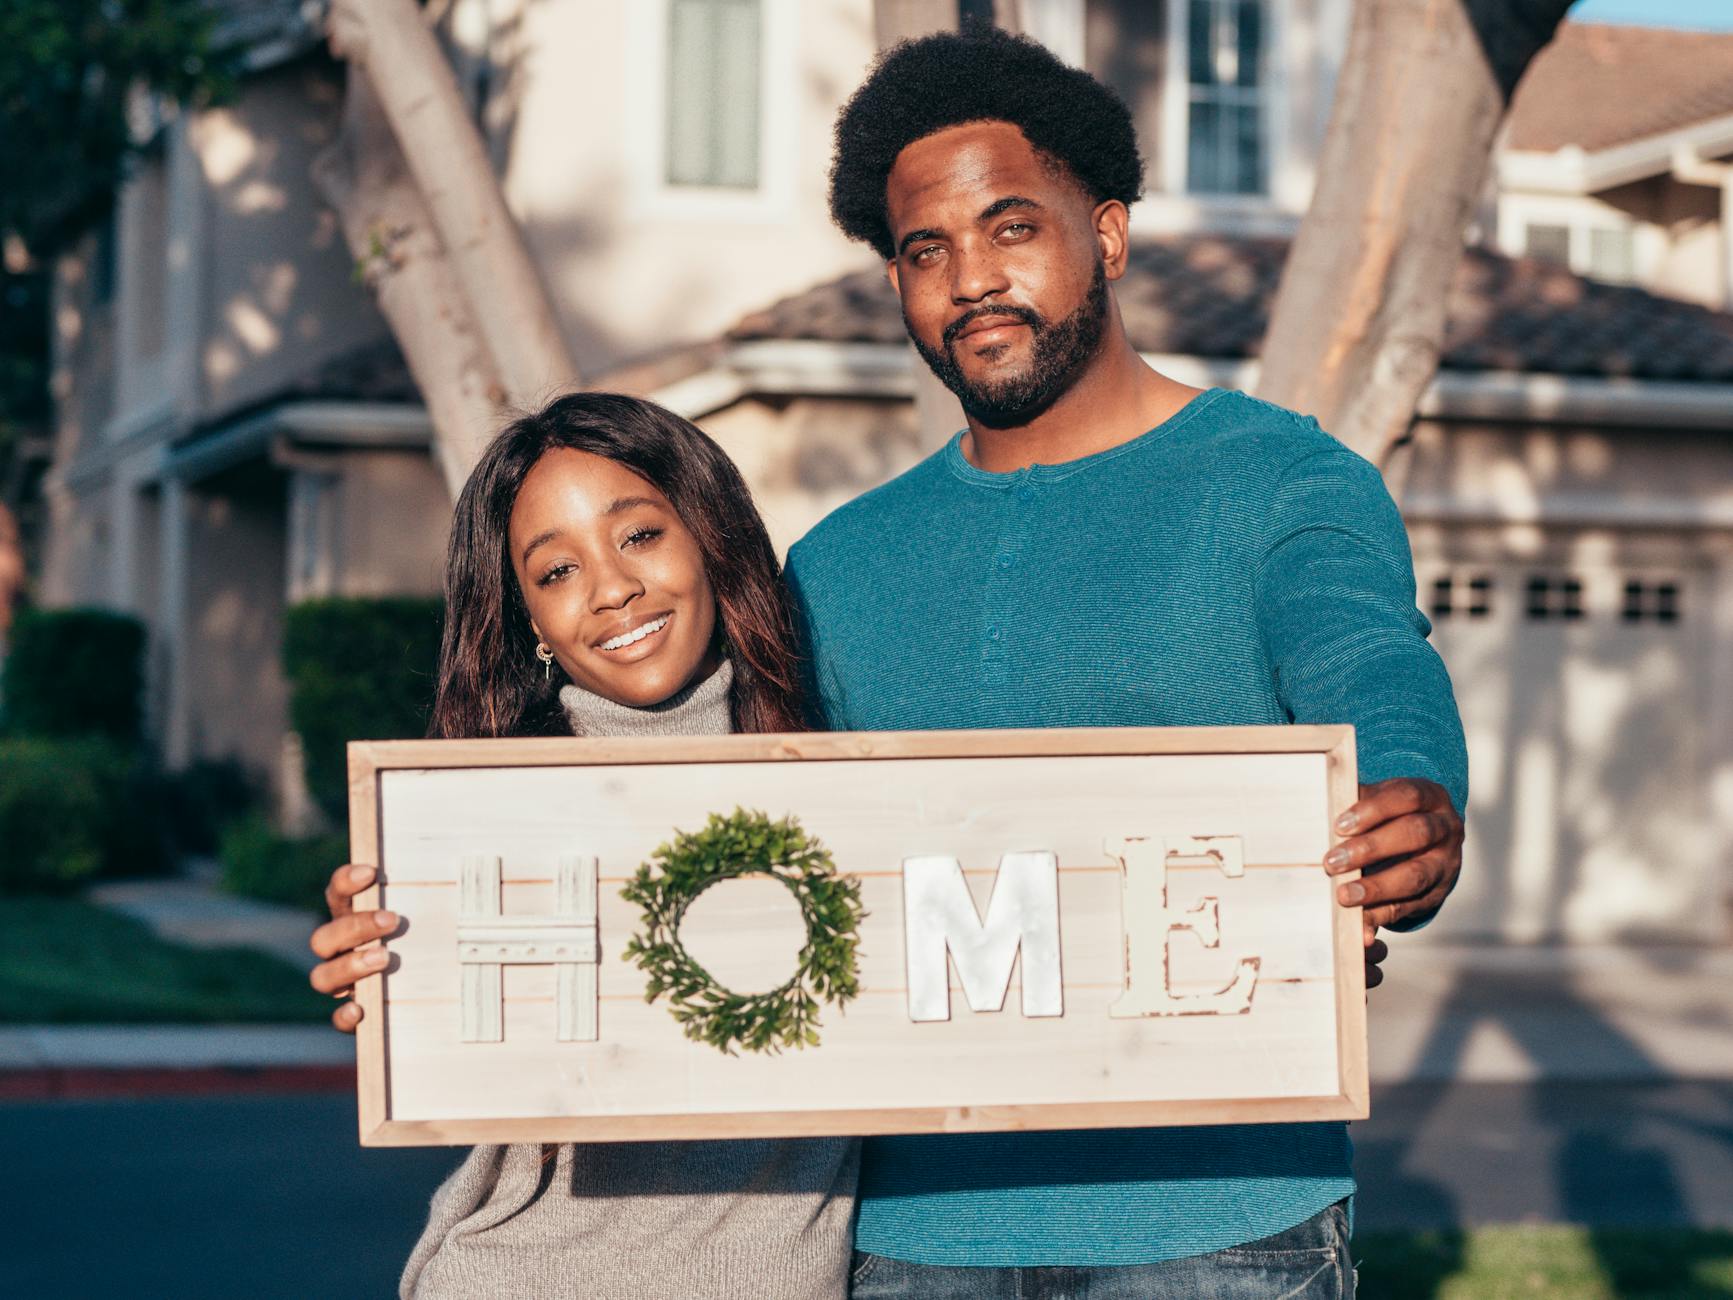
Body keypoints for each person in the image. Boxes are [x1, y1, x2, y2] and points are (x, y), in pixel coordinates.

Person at [784, 25, 1468, 1299]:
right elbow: (725, 818)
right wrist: (416, 908)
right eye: (924, 251)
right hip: (916, 1238)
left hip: (1221, 1226)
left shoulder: (1279, 481)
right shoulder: (835, 565)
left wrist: (1415, 796)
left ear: (1103, 233)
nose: (970, 280)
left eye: (1009, 227)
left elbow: (1370, 663)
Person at [308, 392, 857, 1300]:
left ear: (710, 538)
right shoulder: (485, 816)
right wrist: (380, 964)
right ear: (528, 616)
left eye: (637, 536)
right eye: (556, 571)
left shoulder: (860, 782)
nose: (609, 590)